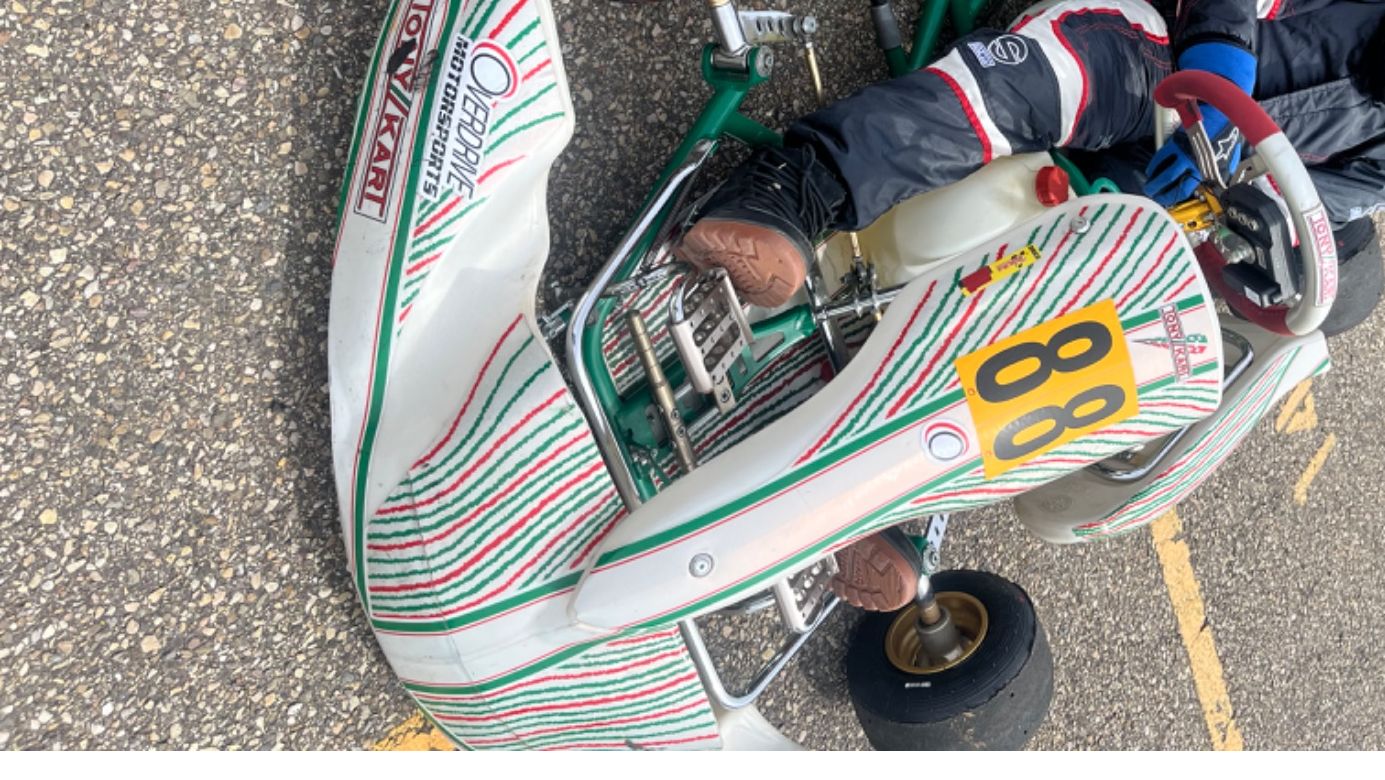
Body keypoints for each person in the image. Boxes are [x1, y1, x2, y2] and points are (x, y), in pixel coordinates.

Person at [674, 0, 1385, 612]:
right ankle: (794, 187)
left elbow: (1319, 200)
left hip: (1190, 159)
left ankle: (886, 471)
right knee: (1042, 85)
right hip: (1163, 43)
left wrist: (1246, 221)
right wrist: (1222, 60)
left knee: (1100, 318)